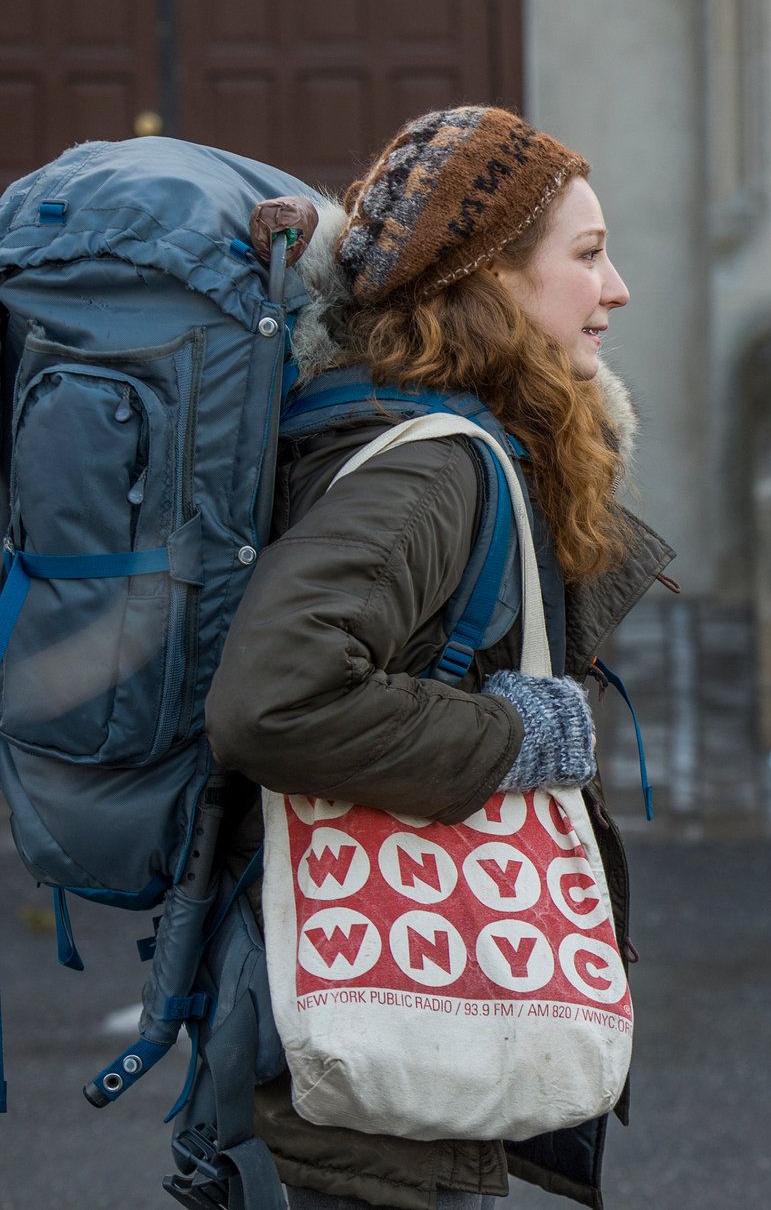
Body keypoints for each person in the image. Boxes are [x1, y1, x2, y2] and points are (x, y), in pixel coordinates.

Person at [205, 106, 675, 1209]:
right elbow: (272, 701)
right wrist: (517, 734)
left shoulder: (438, 434)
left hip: (365, 1028)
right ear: (489, 277)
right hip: (368, 1045)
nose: (615, 289)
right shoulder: (429, 468)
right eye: (587, 254)